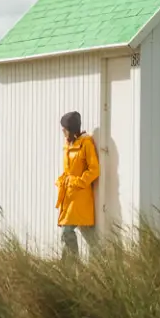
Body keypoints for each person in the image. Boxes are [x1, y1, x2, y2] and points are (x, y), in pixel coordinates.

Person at [55, 110, 99, 260]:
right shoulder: (68, 144)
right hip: (68, 195)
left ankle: (72, 265)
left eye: (65, 128)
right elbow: (69, 170)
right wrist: (62, 179)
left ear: (72, 129)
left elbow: (94, 170)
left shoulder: (86, 144)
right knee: (84, 234)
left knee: (67, 231)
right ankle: (88, 265)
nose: (63, 131)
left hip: (80, 196)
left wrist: (79, 182)